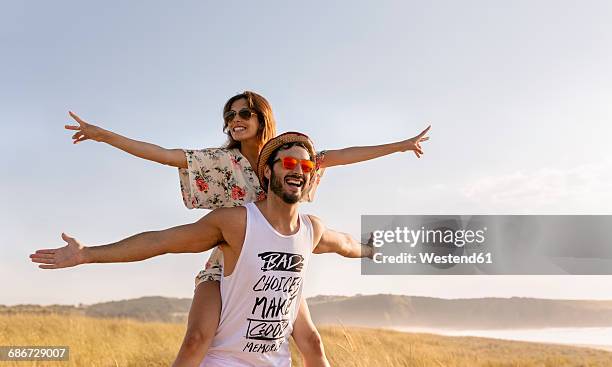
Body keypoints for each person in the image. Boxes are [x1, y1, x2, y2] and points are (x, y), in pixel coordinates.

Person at [61, 91, 430, 366]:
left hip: (281, 259)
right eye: (229, 115)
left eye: (243, 112)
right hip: (230, 257)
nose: (234, 119)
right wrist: (105, 135)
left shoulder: (291, 155)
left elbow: (340, 158)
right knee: (197, 339)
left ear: (261, 116)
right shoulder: (221, 161)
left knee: (313, 343)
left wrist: (400, 146)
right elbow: (163, 155)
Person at [31, 133, 373, 366]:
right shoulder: (236, 223)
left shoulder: (312, 230)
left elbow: (347, 245)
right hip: (224, 359)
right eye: (289, 163)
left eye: (306, 166)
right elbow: (160, 241)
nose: (298, 170)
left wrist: (375, 251)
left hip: (275, 361)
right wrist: (88, 253)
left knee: (313, 343)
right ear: (268, 172)